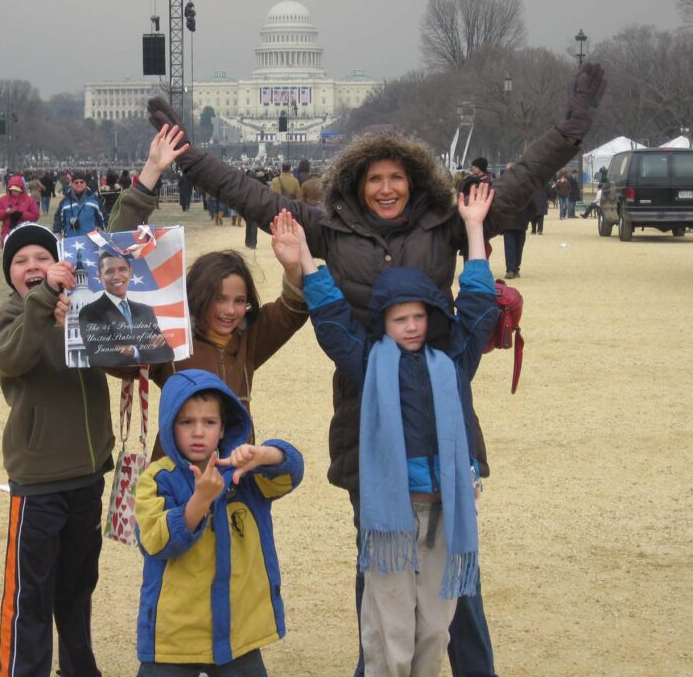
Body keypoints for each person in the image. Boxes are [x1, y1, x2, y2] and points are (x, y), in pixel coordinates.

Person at [145, 62, 607, 677]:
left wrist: (572, 128)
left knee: (456, 566)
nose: (385, 188)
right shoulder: (329, 232)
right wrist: (191, 158)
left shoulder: (445, 227)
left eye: (395, 177)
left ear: (413, 181)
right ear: (356, 185)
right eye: (373, 178)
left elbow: (522, 182)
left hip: (439, 410)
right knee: (379, 556)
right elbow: (250, 196)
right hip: (367, 409)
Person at [283, 183, 497, 677]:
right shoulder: (370, 362)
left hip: (445, 507)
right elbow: (334, 321)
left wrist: (474, 227)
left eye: (419, 316)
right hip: (392, 517)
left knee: (437, 626)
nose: (412, 327)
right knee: (388, 625)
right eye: (400, 318)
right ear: (384, 322)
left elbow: (480, 307)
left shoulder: (451, 362)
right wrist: (309, 260)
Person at [108, 124, 310, 457]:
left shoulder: (249, 338)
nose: (231, 310)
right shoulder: (169, 340)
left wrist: (292, 267)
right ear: (199, 298)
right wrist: (149, 176)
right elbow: (118, 256)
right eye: (220, 300)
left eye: (239, 301)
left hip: (235, 475)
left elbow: (292, 309)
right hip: (175, 479)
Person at [0, 222, 114, 677]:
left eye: (42, 257)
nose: (32, 267)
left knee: (78, 587)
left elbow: (113, 243)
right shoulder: (12, 315)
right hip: (39, 483)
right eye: (20, 262)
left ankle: (80, 669)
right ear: (10, 276)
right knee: (31, 594)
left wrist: (147, 179)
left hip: (88, 475)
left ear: (61, 263)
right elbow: (11, 357)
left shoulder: (81, 307)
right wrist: (43, 303)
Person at [134, 368, 304, 676]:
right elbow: (155, 541)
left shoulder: (244, 473)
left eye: (209, 422)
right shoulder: (157, 478)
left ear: (224, 428)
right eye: (186, 422)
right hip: (173, 640)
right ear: (170, 426)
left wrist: (265, 454)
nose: (198, 432)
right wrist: (200, 501)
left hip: (238, 637)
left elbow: (290, 474)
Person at [78, 252, 175, 367]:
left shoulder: (146, 311)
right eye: (109, 271)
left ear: (130, 272)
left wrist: (132, 351)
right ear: (100, 276)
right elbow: (100, 357)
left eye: (122, 269)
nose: (117, 276)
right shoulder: (89, 312)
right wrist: (148, 350)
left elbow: (168, 354)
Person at [499, 165, 534, 279]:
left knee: (519, 246)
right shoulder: (502, 185)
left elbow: (532, 203)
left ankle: (516, 268)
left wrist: (529, 217)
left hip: (521, 221)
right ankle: (510, 269)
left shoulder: (525, 185)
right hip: (508, 221)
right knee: (510, 246)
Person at [53, 172, 104, 238]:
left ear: (85, 183)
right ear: (72, 184)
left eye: (81, 182)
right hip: (71, 241)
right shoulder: (65, 201)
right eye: (76, 182)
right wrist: (56, 234)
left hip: (91, 242)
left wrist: (103, 234)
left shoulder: (94, 199)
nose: (79, 184)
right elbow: (58, 219)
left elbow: (103, 218)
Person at [0, 176, 40, 247]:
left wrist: (21, 214)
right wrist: (6, 212)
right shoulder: (3, 199)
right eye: (13, 190)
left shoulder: (29, 200)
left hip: (25, 233)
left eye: (17, 190)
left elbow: (35, 216)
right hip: (7, 232)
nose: (15, 192)